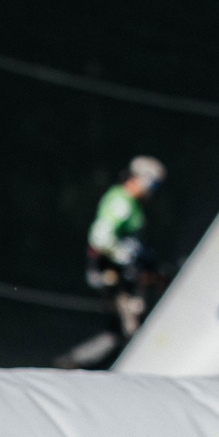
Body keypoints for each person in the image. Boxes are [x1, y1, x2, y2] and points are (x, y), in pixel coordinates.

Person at [57, 156, 166, 369]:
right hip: (114, 274)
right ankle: (74, 365)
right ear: (138, 179)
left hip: (123, 275)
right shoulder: (121, 201)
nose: (153, 190)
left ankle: (79, 365)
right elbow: (100, 237)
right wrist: (126, 261)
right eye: (152, 184)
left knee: (126, 330)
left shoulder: (131, 203)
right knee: (127, 332)